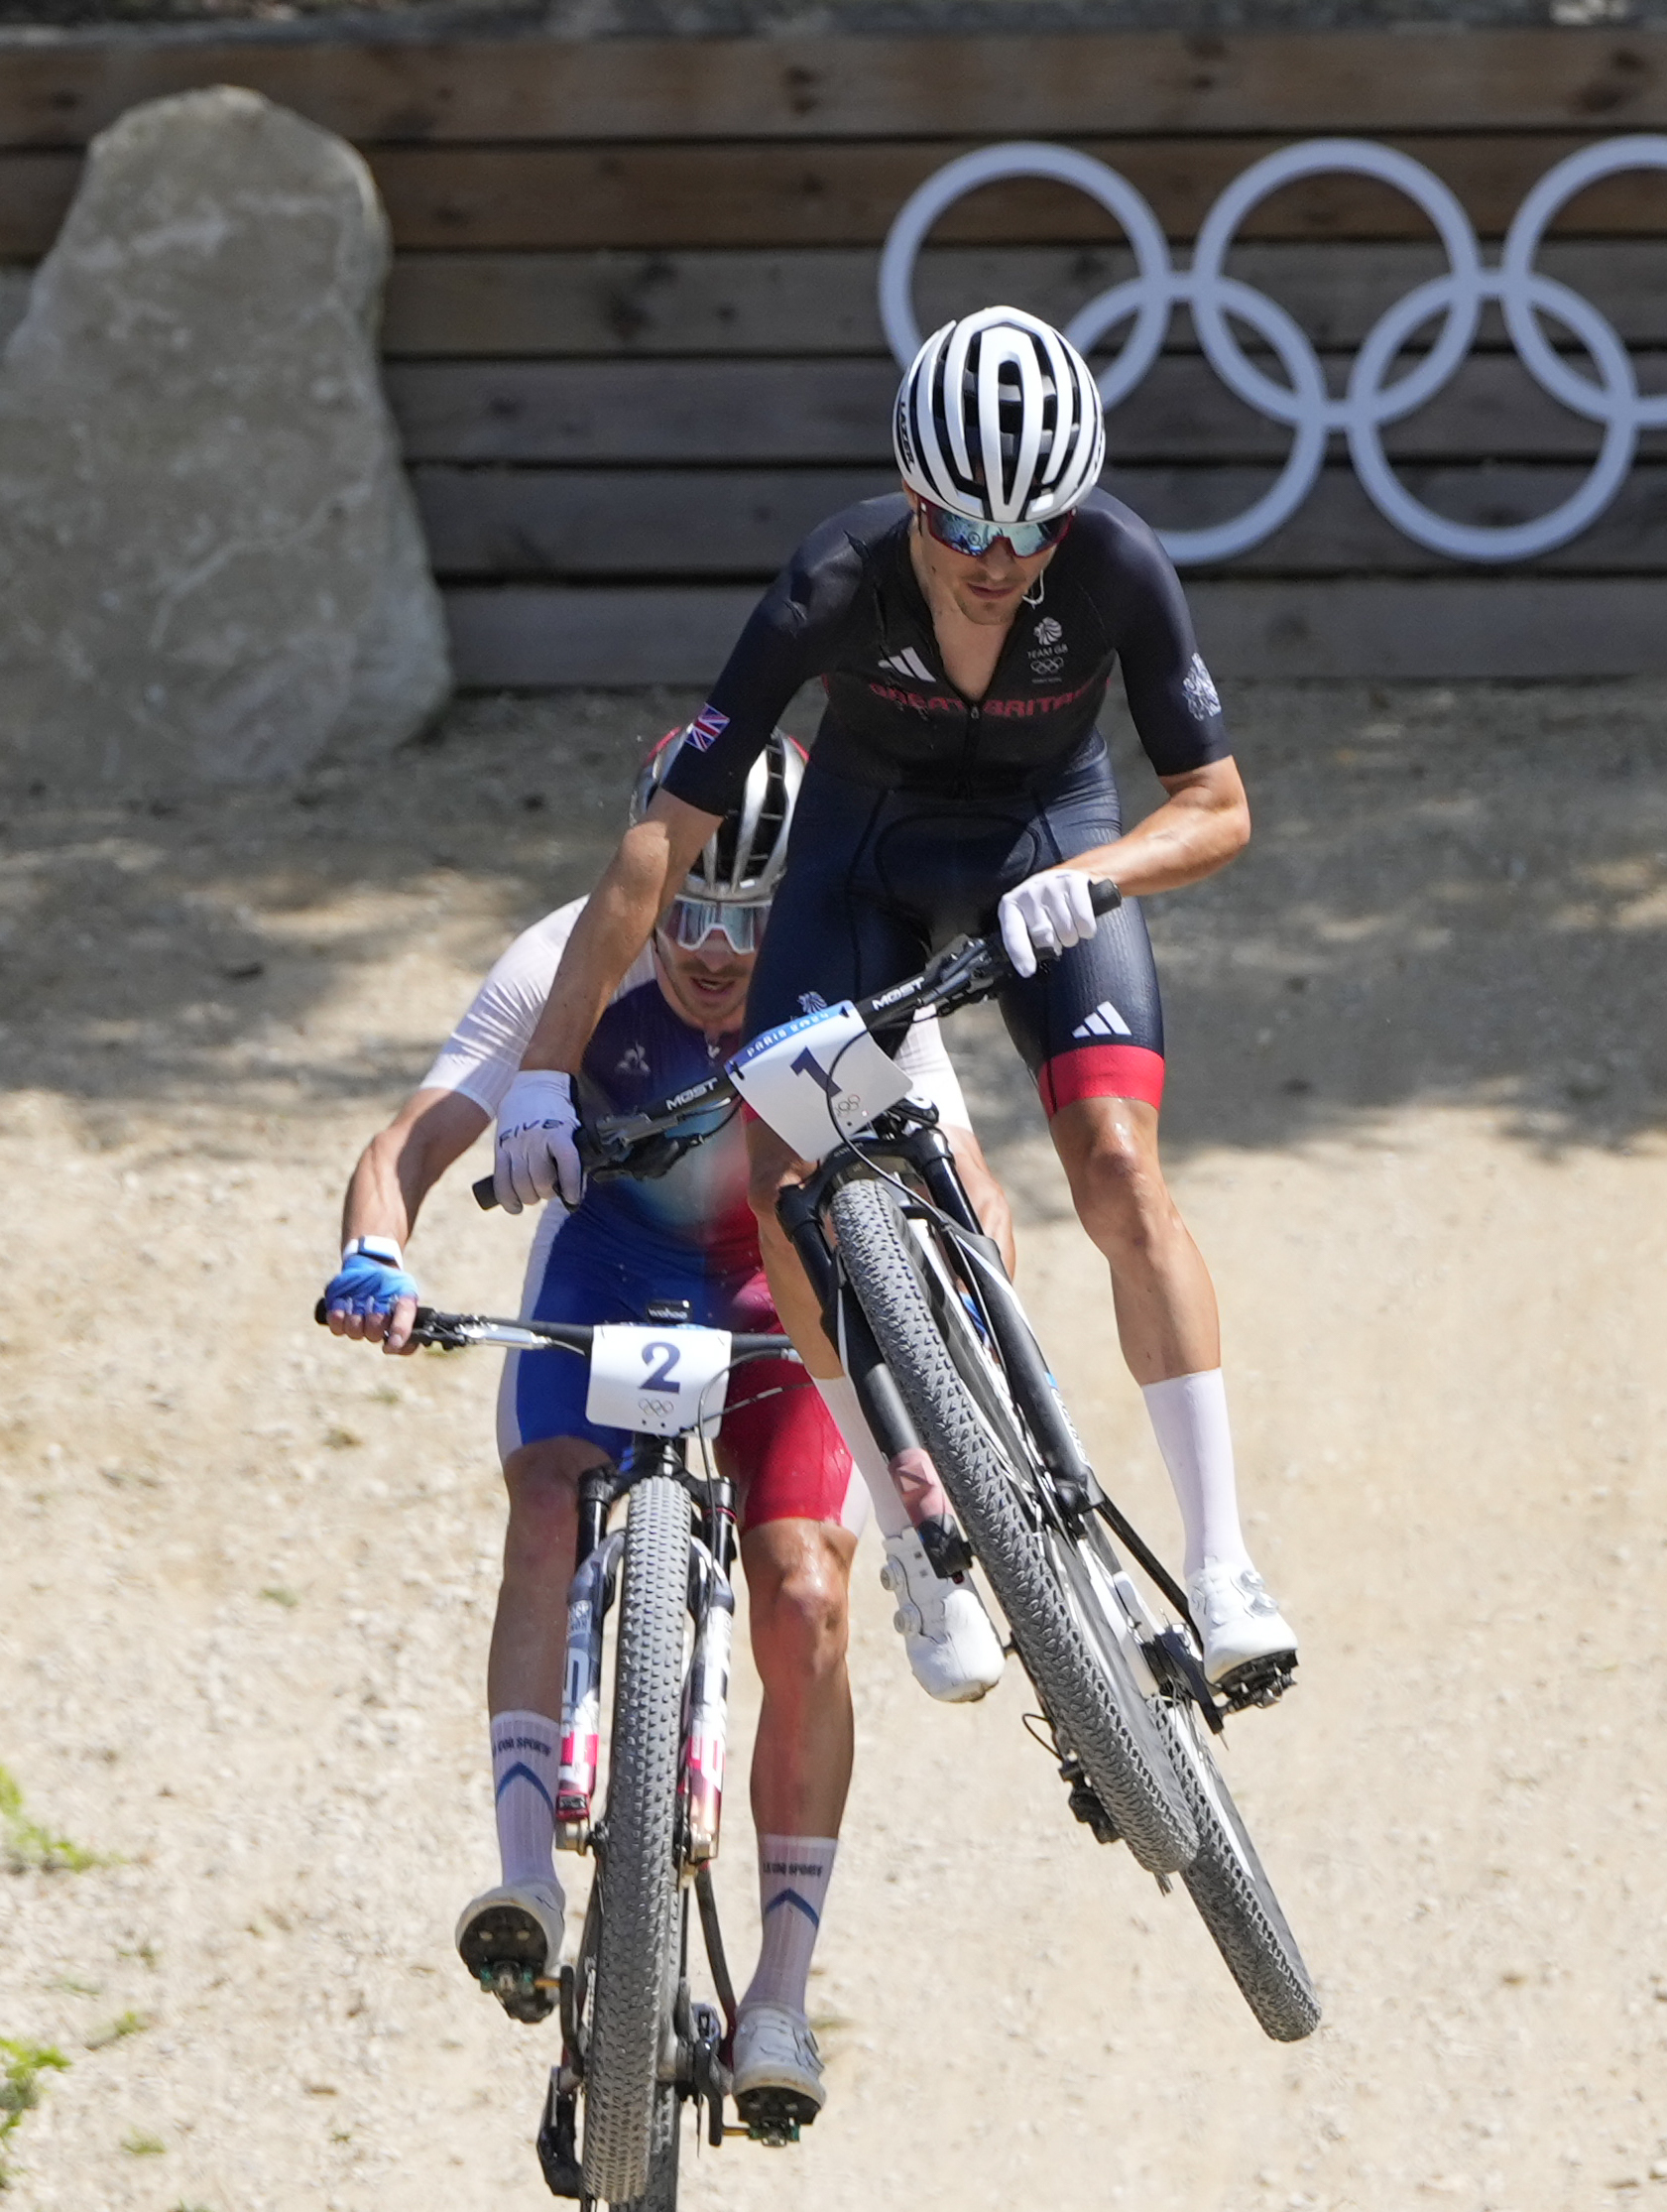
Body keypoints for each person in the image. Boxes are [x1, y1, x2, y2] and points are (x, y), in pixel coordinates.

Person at [489, 304, 1296, 1693]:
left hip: (1050, 843)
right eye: (960, 529)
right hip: (859, 858)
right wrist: (544, 1069)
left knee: (1115, 1167)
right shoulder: (826, 583)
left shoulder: (1110, 563)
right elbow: (660, 840)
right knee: (788, 1171)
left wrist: (1101, 877)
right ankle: (922, 1543)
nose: (996, 563)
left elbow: (1215, 807)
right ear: (910, 499)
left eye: (1027, 531)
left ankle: (1221, 1557)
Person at [322, 734, 1012, 2129]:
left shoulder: (851, 971)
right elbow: (411, 1139)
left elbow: (971, 1188)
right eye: (686, 905)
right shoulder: (559, 962)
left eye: (746, 921)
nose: (708, 948)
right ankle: (522, 1869)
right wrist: (374, 1258)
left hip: (784, 1302)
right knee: (542, 1501)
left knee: (808, 1588)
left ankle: (779, 1989)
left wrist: (965, 1336)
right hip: (608, 1281)